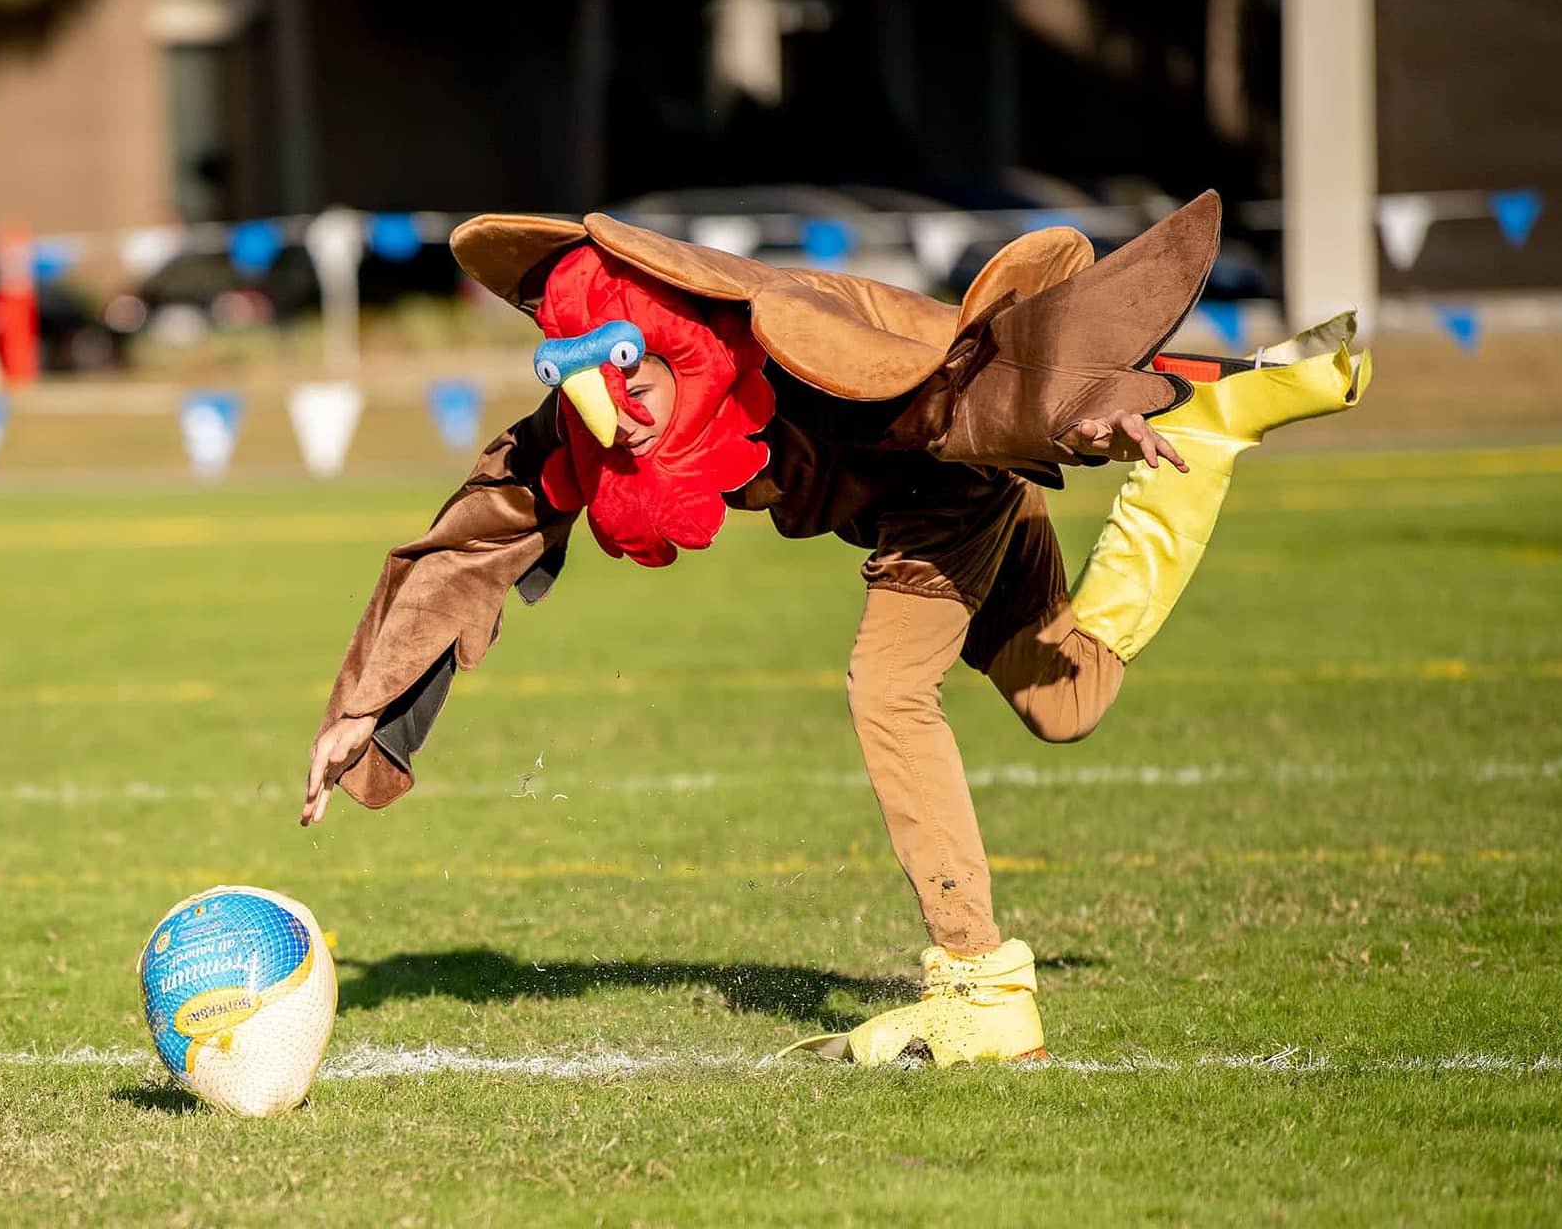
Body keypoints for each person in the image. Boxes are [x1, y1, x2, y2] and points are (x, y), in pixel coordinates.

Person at [301, 193, 1371, 1066]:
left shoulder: (799, 331)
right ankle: (1213, 438)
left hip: (958, 474)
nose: (606, 405)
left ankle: (980, 983)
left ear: (664, 332)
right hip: (935, 500)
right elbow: (467, 541)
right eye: (570, 375)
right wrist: (364, 708)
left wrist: (1081, 415)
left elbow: (974, 371)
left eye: (618, 364)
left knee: (886, 688)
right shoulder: (597, 420)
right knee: (1067, 697)